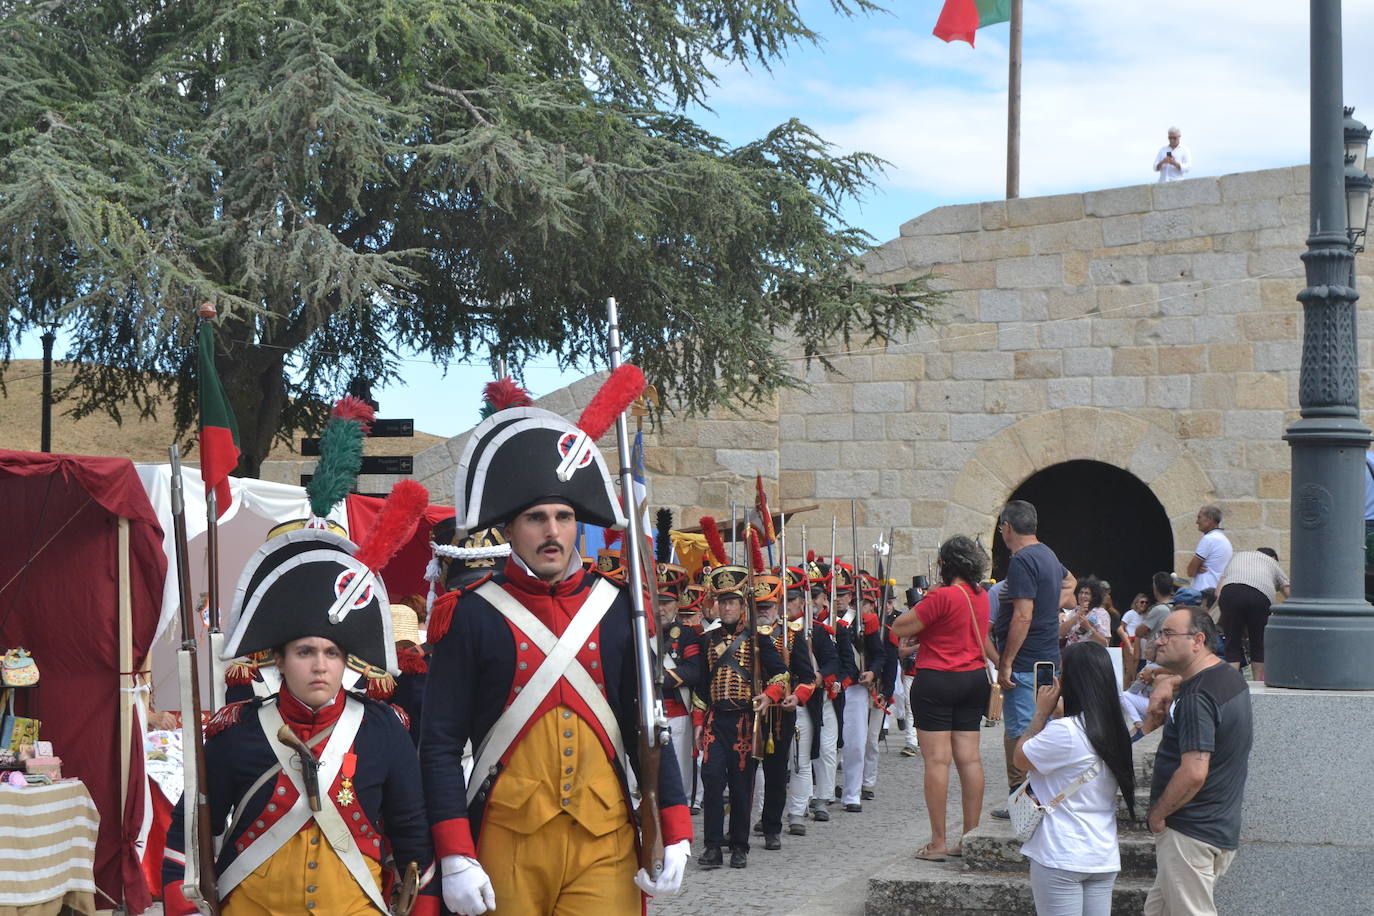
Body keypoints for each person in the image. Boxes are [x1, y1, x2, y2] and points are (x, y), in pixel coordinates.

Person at [420, 404, 691, 915]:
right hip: (508, 840)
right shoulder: (472, 612)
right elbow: (438, 743)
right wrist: (456, 852)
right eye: (536, 518)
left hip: (605, 838)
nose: (552, 531)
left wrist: (674, 826)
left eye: (564, 517)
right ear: (509, 529)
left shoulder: (617, 608)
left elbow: (646, 726)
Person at [162, 516, 441, 915]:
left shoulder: (383, 731)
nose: (320, 666)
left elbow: (412, 834)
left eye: (331, 653)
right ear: (279, 659)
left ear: (347, 661)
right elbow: (190, 828)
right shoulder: (237, 731)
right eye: (305, 652)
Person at [1142, 608, 1253, 916]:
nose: (1159, 641)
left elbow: (1193, 771)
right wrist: (1169, 682)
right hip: (1213, 826)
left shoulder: (1197, 698)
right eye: (1159, 633)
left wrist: (1158, 815)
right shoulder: (1225, 677)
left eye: (1167, 634)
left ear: (1198, 640)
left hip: (1190, 832)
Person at [1013, 641, 1136, 916]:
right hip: (1101, 855)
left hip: (1061, 852)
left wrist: (1041, 714)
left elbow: (1020, 759)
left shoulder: (1066, 731)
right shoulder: (1117, 729)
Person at [893, 535, 995, 861]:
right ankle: (969, 836)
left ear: (944, 564)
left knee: (938, 761)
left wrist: (929, 597)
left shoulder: (942, 596)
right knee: (970, 759)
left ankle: (938, 842)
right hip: (974, 678)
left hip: (937, 679)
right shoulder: (981, 596)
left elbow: (898, 626)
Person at [696, 564, 788, 869]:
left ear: (742, 605)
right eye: (722, 602)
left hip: (744, 722)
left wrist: (769, 696)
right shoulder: (707, 641)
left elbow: (781, 674)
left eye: (732, 602)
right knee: (710, 781)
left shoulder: (758, 639)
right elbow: (700, 686)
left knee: (740, 784)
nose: (727, 607)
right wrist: (699, 723)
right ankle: (712, 846)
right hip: (715, 720)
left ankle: (739, 845)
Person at [994, 500, 1076, 812]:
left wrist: (1006, 662)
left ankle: (1022, 801)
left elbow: (1022, 616)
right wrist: (1052, 604)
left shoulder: (1022, 560)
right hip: (1047, 657)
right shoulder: (1048, 554)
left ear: (1007, 527)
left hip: (1026, 660)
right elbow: (1071, 580)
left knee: (1021, 732)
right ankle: (1035, 793)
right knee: (1041, 725)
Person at [753, 570, 815, 851]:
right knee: (743, 774)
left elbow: (807, 676)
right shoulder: (746, 634)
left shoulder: (792, 634)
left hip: (779, 713)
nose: (763, 611)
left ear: (777, 605)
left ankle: (772, 827)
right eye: (758, 607)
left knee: (777, 773)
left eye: (767, 606)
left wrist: (798, 697)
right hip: (749, 711)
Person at [835, 564, 883, 812]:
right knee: (827, 745)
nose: (839, 599)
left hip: (854, 687)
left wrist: (872, 671)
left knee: (855, 743)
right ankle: (822, 791)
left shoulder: (864, 621)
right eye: (834, 593)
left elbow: (878, 654)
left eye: (843, 594)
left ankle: (852, 793)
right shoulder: (819, 620)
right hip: (828, 689)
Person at [1217, 547, 1290, 682]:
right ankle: (1257, 683)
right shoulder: (1273, 563)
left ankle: (1230, 684)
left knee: (1232, 644)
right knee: (1258, 643)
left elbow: (1218, 592)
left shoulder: (1239, 555)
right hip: (1259, 595)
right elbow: (1288, 591)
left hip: (1230, 592)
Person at [1187, 505, 1233, 593]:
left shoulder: (1209, 539)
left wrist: (1196, 568)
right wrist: (1197, 567)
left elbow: (1190, 571)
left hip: (1203, 591)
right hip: (1215, 591)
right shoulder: (1224, 539)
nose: (1197, 522)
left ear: (1210, 519)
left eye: (1199, 517)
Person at [1060, 581, 1110, 647]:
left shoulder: (1101, 614)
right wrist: (1077, 615)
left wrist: (1088, 627)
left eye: (1087, 593)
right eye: (1081, 593)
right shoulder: (1074, 611)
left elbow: (1105, 643)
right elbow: (1061, 633)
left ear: (1093, 597)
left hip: (1091, 654)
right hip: (1071, 653)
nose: (1083, 596)